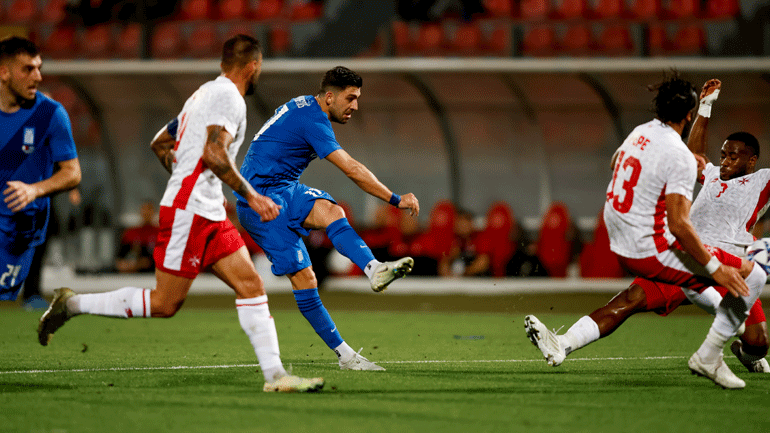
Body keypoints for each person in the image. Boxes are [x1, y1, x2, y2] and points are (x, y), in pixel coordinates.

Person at [37, 35, 324, 393]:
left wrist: (186, 174)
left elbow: (160, 142)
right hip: (190, 210)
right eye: (259, 67)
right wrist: (252, 196)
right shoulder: (229, 97)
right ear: (253, 66)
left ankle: (276, 376)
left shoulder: (202, 94)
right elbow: (214, 154)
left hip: (208, 209)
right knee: (164, 303)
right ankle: (72, 304)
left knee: (251, 284)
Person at [525, 73, 766, 389]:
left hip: (714, 257)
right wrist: (706, 108)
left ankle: (744, 352)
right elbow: (692, 157)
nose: (725, 161)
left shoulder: (762, 180)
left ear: (752, 161)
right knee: (631, 299)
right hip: (693, 254)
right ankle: (563, 343)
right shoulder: (706, 173)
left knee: (758, 343)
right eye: (722, 154)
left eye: (733, 156)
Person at [237, 66, 420, 371]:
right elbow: (351, 169)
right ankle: (345, 356)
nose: (355, 106)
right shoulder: (313, 120)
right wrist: (395, 199)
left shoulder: (306, 105)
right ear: (330, 97)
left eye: (357, 98)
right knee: (305, 279)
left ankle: (374, 269)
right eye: (350, 98)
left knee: (333, 211)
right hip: (259, 203)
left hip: (284, 189)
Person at [0, 36, 81, 305]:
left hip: (25, 221)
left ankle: (33, 294)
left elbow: (72, 172)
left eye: (39, 68)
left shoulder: (50, 114)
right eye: (28, 69)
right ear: (4, 73)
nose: (38, 76)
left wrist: (34, 190)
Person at [114, 200, 158, 273]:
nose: (146, 212)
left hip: (153, 273)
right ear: (140, 211)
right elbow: (119, 259)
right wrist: (128, 265)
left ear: (154, 212)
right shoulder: (130, 233)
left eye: (149, 209)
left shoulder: (160, 233)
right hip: (133, 274)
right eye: (144, 209)